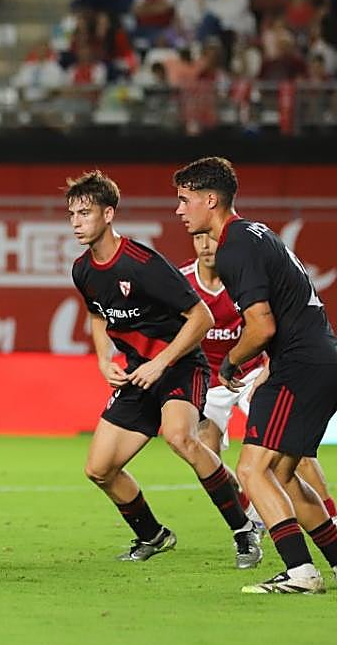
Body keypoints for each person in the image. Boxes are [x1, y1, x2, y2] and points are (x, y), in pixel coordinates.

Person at [67, 171, 260, 566]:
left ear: (108, 214)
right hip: (140, 372)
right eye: (71, 214)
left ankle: (244, 532)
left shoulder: (142, 263)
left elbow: (201, 317)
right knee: (99, 469)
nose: (75, 222)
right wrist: (105, 358)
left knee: (180, 438)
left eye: (84, 213)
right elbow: (97, 315)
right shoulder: (82, 270)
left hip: (180, 365)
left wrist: (161, 362)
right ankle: (152, 535)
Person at [174, 156, 337, 594]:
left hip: (298, 365)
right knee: (283, 473)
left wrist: (229, 362)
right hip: (321, 357)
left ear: (211, 200)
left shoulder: (234, 247)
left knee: (251, 470)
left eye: (185, 200)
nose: (179, 210)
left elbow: (262, 325)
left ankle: (301, 571)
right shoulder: (255, 232)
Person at [179, 232, 337, 524]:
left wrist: (270, 365)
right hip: (209, 379)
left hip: (252, 371)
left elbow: (271, 322)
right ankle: (250, 516)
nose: (205, 245)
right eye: (198, 238)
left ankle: (332, 516)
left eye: (209, 238)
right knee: (205, 455)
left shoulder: (242, 275)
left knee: (293, 450)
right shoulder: (182, 281)